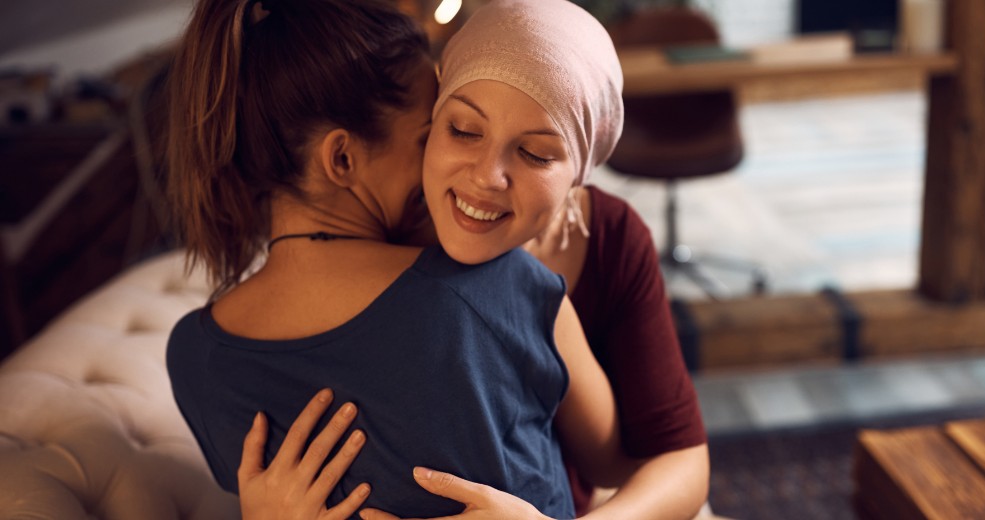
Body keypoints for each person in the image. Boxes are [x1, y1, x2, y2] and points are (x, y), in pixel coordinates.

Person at [238, 0, 711, 519]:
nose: (487, 177)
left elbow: (675, 458)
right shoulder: (383, 238)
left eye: (535, 153)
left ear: (579, 170)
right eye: (463, 130)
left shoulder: (610, 236)